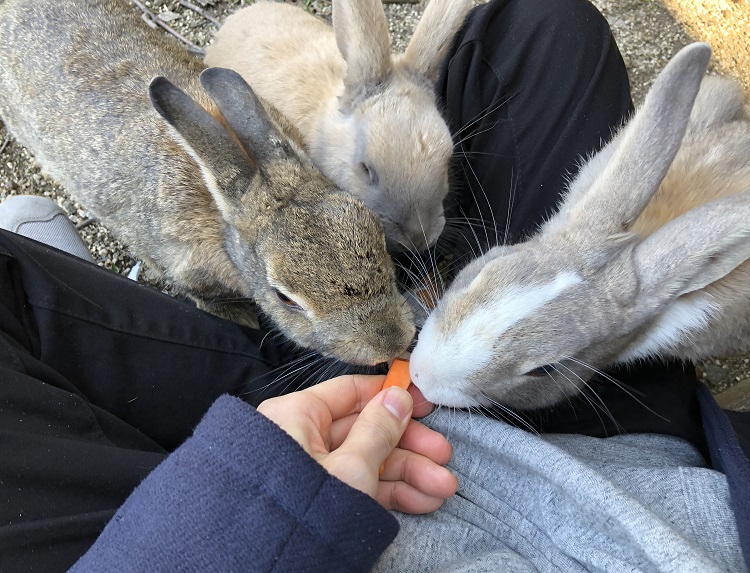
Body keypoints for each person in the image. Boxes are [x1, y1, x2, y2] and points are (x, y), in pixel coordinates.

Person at [0, 0, 747, 572]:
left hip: (252, 493)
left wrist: (267, 515)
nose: (406, 338)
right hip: (578, 427)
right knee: (545, 23)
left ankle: (72, 324)